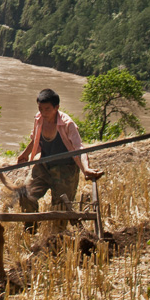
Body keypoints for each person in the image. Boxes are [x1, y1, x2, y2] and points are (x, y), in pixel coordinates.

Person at [15, 88, 103, 231]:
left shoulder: (67, 124)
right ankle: (31, 228)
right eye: (40, 108)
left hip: (65, 170)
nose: (43, 112)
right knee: (26, 195)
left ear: (57, 108)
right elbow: (35, 139)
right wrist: (25, 154)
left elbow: (79, 148)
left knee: (60, 209)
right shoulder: (38, 119)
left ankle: (56, 239)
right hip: (43, 166)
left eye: (47, 109)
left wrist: (86, 169)